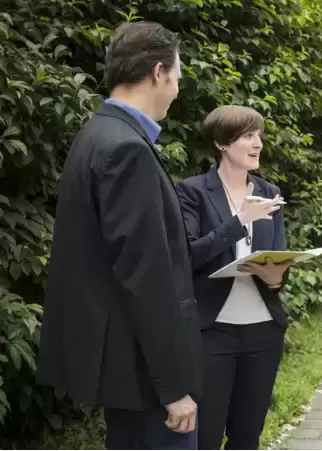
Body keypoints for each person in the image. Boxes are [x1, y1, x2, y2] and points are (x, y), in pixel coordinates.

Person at [35, 21, 202, 450]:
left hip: (123, 372)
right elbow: (146, 276)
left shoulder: (96, 135)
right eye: (178, 78)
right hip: (145, 378)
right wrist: (173, 388)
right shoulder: (126, 148)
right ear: (158, 72)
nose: (177, 90)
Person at [175, 105, 291, 450]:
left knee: (247, 436)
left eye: (259, 136)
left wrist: (275, 279)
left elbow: (279, 257)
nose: (258, 144)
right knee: (207, 436)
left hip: (263, 331)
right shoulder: (192, 191)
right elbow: (188, 255)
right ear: (222, 143)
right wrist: (238, 222)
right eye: (248, 136)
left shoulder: (269, 192)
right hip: (213, 332)